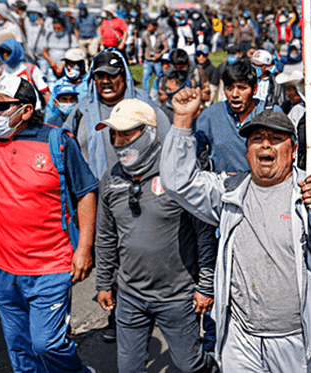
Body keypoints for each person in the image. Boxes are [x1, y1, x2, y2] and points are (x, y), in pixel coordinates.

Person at [161, 88, 311, 372]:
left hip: (297, 340)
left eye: (276, 140)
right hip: (242, 337)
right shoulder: (229, 190)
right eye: (257, 140)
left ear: (293, 153)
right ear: (247, 152)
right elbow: (177, 182)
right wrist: (182, 122)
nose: (265, 146)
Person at [0, 75, 98, 372]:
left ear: (26, 111)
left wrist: (83, 248)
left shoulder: (58, 142)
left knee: (47, 344)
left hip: (50, 268)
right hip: (2, 270)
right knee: (20, 350)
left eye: (0, 106)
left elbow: (85, 193)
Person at [94, 98, 219, 373]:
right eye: (114, 134)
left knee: (190, 365)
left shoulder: (179, 176)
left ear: (149, 132)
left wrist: (205, 286)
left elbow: (205, 234)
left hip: (177, 297)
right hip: (130, 296)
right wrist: (103, 282)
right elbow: (105, 235)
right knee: (128, 369)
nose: (118, 140)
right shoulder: (111, 179)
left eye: (126, 133)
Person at [64, 49, 171, 180]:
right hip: (96, 189)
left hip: (143, 185)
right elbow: (64, 145)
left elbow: (168, 147)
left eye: (112, 75)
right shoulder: (82, 110)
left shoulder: (144, 105)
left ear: (123, 76)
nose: (105, 81)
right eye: (100, 76)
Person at [194, 60, 282, 173]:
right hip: (224, 187)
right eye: (230, 88)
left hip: (262, 187)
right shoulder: (210, 115)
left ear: (255, 89)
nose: (235, 94)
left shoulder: (272, 114)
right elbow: (194, 154)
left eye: (242, 88)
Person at [0, 38, 50, 105]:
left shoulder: (31, 69)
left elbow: (45, 92)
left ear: (16, 51)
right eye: (2, 52)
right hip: (10, 111)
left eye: (8, 51)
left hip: (32, 110)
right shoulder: (0, 71)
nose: (4, 54)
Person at [44, 48, 89, 124]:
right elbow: (51, 109)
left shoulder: (91, 82)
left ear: (82, 65)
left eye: (74, 64)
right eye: (68, 63)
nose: (69, 67)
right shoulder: (59, 83)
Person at [43, 16, 78, 84]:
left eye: (58, 28)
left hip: (66, 67)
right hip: (52, 66)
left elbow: (74, 53)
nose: (56, 30)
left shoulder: (70, 37)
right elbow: (44, 51)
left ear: (63, 27)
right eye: (54, 28)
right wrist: (51, 63)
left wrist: (62, 64)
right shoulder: (49, 36)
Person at [139, 19, 170, 94]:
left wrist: (160, 54)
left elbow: (167, 47)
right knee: (146, 77)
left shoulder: (161, 35)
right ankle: (145, 94)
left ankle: (157, 91)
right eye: (148, 26)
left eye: (150, 26)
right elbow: (141, 46)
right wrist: (140, 57)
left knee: (159, 76)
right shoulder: (145, 34)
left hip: (157, 60)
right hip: (147, 59)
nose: (148, 27)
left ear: (155, 27)